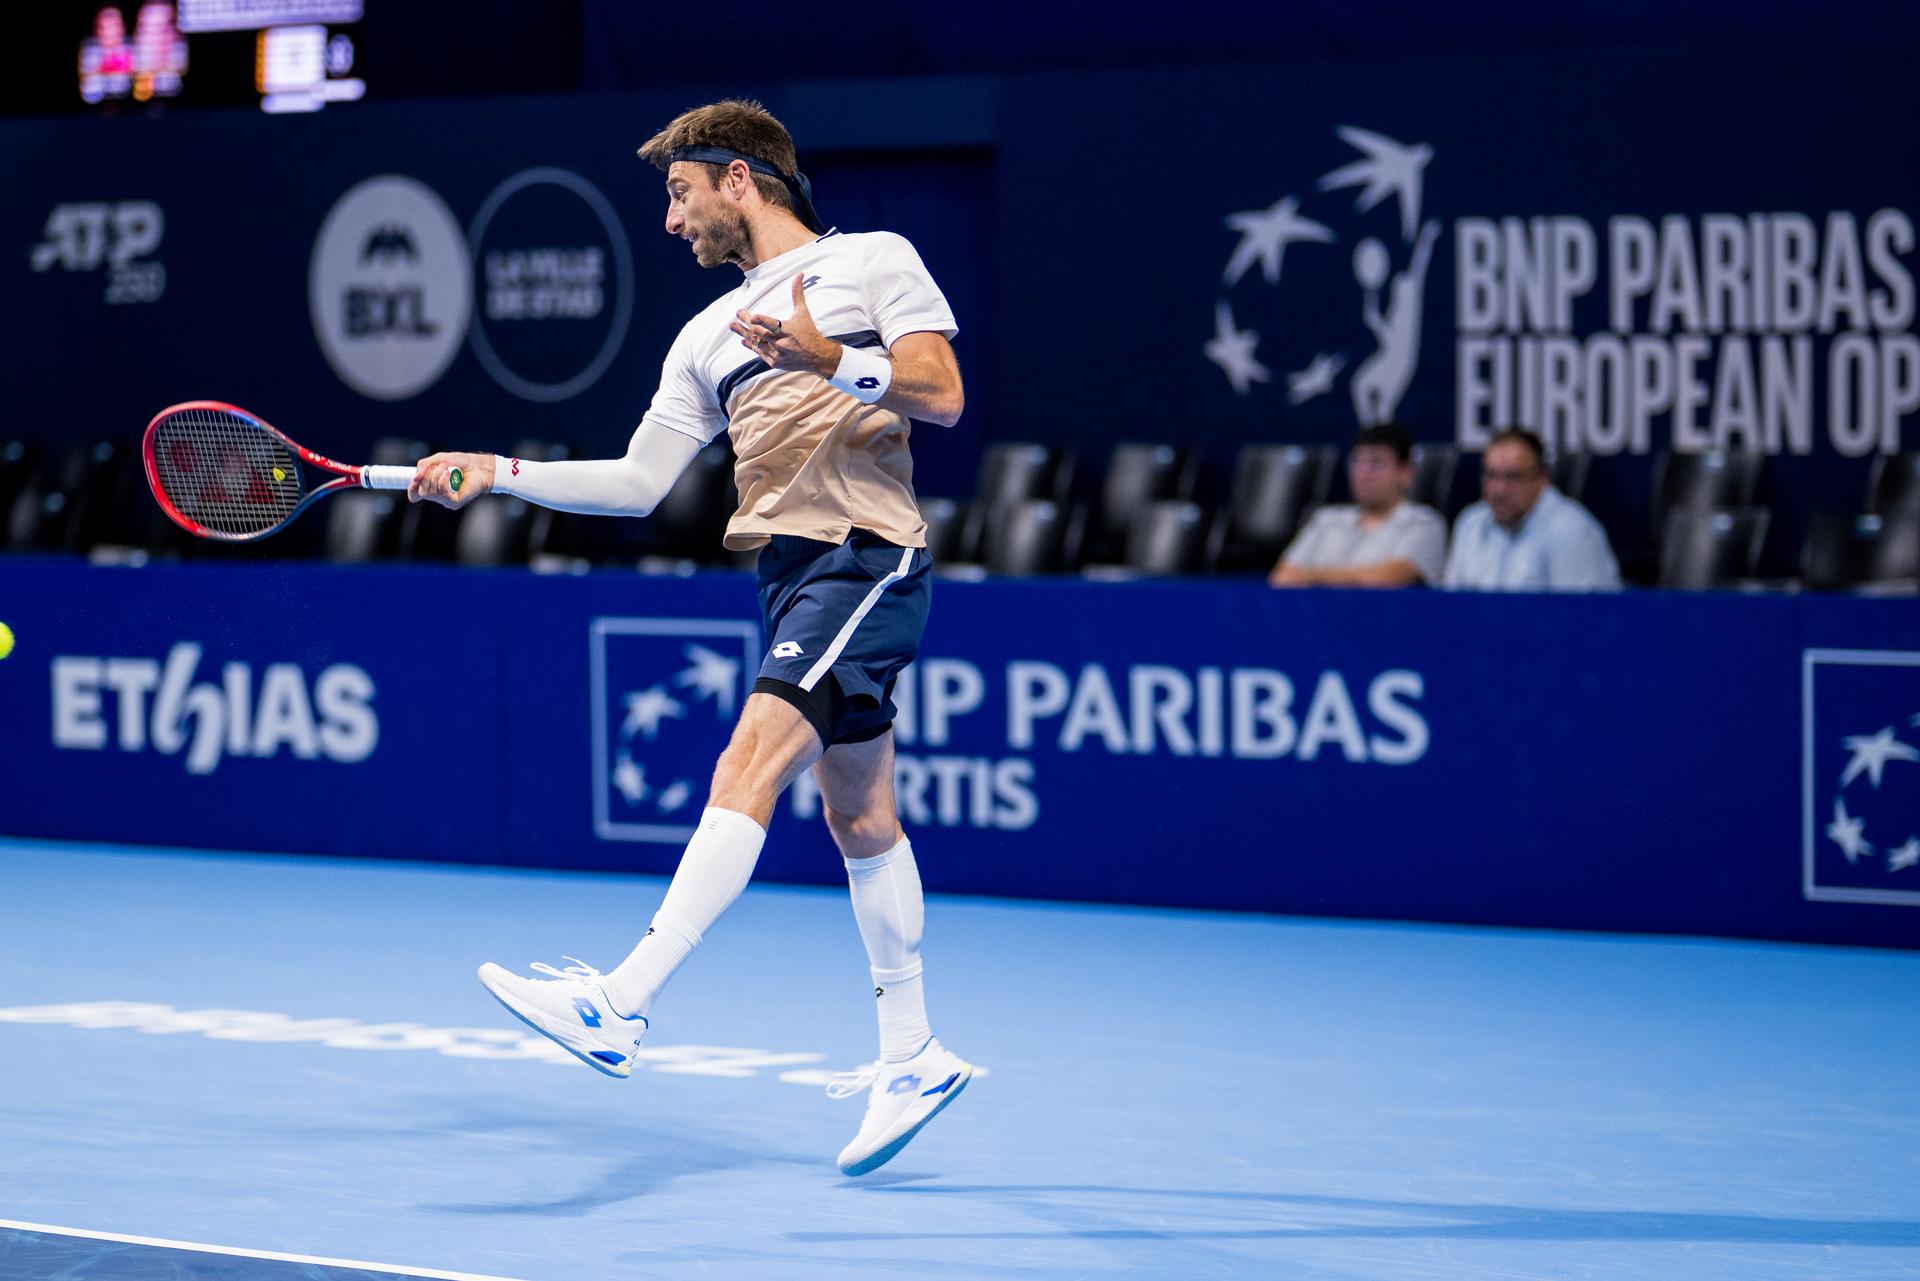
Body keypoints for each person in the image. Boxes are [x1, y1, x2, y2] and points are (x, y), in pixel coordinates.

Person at [406, 100, 972, 1177]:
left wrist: (830, 358)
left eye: (680, 193)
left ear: (741, 179)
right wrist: (497, 470)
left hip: (865, 550)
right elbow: (636, 482)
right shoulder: (703, 338)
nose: (671, 221)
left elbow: (941, 394)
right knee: (858, 811)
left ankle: (624, 1001)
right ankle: (915, 1055)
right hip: (789, 572)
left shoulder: (872, 263)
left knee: (747, 759)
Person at [1269, 422, 1446, 588]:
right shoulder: (1326, 518)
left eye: (1376, 463)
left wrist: (1313, 575)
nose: (1364, 473)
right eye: (1357, 461)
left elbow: (1389, 578)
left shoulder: (1424, 523)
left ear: (1405, 473)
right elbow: (1282, 577)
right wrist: (1354, 576)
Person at [1443, 428, 1621, 591]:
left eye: (1512, 477)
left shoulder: (1572, 530)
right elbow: (1453, 607)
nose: (1498, 490)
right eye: (1491, 475)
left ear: (1542, 478)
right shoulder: (1470, 522)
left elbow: (1579, 616)